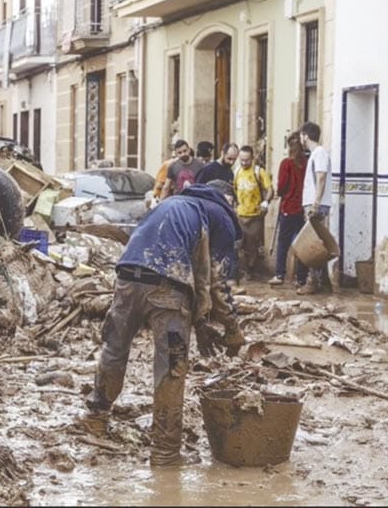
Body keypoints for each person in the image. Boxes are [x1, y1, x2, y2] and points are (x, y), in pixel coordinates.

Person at [82, 183, 244, 466]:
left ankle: (96, 416)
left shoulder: (173, 203)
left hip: (127, 276)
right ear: (229, 200)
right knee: (171, 367)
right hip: (168, 286)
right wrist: (233, 329)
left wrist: (201, 323)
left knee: (114, 348)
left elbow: (198, 272)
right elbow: (216, 280)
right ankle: (165, 452)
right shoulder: (221, 215)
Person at [296, 121, 334, 295]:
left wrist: (315, 204)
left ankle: (312, 282)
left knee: (313, 245)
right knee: (318, 243)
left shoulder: (319, 153)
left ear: (305, 136)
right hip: (314, 203)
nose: (300, 139)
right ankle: (324, 282)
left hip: (315, 205)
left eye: (301, 136)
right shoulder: (316, 154)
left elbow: (321, 178)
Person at [269, 132, 308, 286]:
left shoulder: (286, 163)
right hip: (303, 208)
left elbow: (282, 185)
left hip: (288, 207)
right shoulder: (306, 163)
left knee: (283, 243)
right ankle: (301, 278)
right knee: (302, 243)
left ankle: (280, 274)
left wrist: (281, 193)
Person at [233, 146, 274, 281]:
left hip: (255, 215)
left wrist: (266, 202)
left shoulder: (258, 172)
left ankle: (251, 269)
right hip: (240, 214)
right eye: (241, 160)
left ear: (252, 159)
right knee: (241, 244)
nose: (244, 163)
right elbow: (233, 190)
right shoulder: (237, 171)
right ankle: (243, 269)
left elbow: (270, 189)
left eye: (247, 160)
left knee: (253, 244)